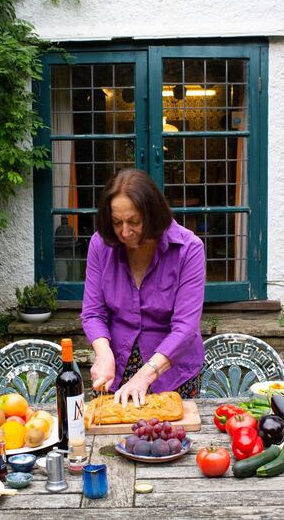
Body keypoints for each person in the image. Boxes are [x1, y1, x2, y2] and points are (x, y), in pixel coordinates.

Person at [81, 168, 205, 408]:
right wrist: (103, 354)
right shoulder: (100, 244)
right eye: (117, 223)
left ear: (152, 215)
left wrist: (145, 375)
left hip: (172, 372)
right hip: (116, 368)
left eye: (134, 222)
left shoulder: (189, 249)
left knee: (167, 441)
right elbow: (93, 312)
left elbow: (186, 328)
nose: (125, 232)